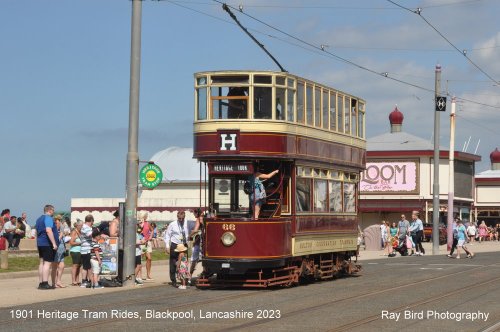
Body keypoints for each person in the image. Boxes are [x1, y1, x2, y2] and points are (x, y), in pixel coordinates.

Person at [164, 211, 190, 287]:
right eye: (179, 218)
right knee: (173, 262)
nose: (181, 220)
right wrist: (167, 246)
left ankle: (184, 279)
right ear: (177, 217)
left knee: (184, 262)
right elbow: (167, 235)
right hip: (175, 244)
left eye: (182, 218)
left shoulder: (186, 223)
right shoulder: (173, 224)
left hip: (183, 244)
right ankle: (173, 280)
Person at [35, 205, 58, 290]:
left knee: (42, 262)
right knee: (47, 263)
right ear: (49, 210)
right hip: (47, 243)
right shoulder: (48, 218)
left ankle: (41, 283)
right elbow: (48, 230)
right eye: (53, 210)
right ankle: (45, 283)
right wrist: (54, 243)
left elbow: (37, 233)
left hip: (40, 243)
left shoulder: (38, 219)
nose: (53, 212)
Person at [79, 214, 94, 288]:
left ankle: (87, 280)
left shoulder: (87, 227)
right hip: (86, 250)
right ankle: (84, 281)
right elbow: (91, 235)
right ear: (91, 221)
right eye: (92, 222)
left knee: (87, 266)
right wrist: (99, 230)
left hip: (87, 249)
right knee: (86, 267)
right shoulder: (85, 227)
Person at [189, 208, 203, 283]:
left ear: (196, 213)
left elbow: (195, 230)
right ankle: (204, 274)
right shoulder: (204, 218)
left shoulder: (198, 219)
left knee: (194, 259)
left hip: (199, 242)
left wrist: (189, 236)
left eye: (194, 213)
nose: (193, 215)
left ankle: (189, 276)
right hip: (205, 242)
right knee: (204, 259)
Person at [52, 215, 67, 288]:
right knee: (58, 263)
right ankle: (57, 281)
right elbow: (60, 234)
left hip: (59, 244)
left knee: (59, 264)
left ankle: (56, 281)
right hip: (59, 244)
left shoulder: (56, 223)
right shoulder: (58, 223)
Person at [138, 212, 153, 280]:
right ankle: (139, 275)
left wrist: (150, 236)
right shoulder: (138, 224)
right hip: (140, 242)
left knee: (149, 258)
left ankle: (148, 274)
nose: (146, 217)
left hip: (147, 242)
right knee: (139, 259)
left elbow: (152, 230)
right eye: (145, 216)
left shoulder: (147, 223)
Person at [69, 219, 83, 286]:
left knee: (79, 266)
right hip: (75, 251)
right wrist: (79, 243)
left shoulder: (80, 232)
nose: (82, 227)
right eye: (81, 225)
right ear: (77, 225)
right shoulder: (74, 232)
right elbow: (71, 242)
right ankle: (73, 280)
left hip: (80, 251)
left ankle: (77, 280)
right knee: (75, 265)